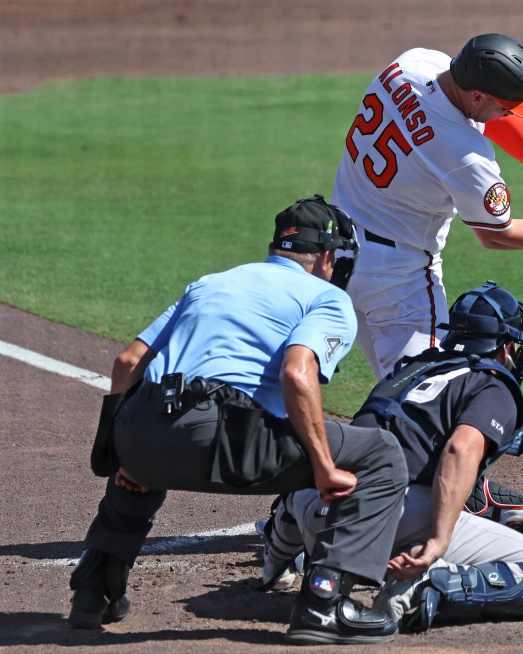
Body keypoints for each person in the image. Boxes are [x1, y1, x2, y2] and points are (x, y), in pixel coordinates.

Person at [68, 196, 408, 645]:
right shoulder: (326, 298)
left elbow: (127, 362)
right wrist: (324, 466)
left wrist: (119, 454)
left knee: (154, 431)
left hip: (142, 432)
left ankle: (94, 591)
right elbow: (296, 373)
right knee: (381, 454)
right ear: (327, 256)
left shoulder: (211, 282)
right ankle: (324, 604)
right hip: (223, 441)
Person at [330, 32, 523, 525]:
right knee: (433, 400)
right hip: (400, 281)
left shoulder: (416, 63)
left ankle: (467, 484)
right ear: (477, 95)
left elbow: (487, 119)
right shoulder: (467, 158)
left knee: (400, 391)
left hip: (337, 256)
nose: (509, 114)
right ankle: (356, 510)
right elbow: (499, 234)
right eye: (504, 104)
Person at [261, 282, 523, 633]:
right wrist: (438, 541)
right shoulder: (493, 384)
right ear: (505, 347)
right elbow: (460, 450)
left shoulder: (413, 368)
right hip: (384, 521)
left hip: (313, 508)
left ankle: (277, 557)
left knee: (353, 467)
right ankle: (429, 586)